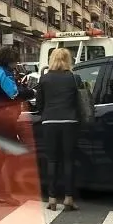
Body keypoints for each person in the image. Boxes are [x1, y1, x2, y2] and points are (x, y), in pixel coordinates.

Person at [0, 45, 33, 205]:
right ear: (9, 61)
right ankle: (3, 193)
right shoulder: (5, 74)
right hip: (3, 121)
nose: (16, 64)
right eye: (15, 62)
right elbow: (14, 94)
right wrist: (32, 92)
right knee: (11, 156)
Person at [34, 47, 81, 211]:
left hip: (49, 122)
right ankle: (68, 198)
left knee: (52, 160)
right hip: (70, 121)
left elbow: (39, 104)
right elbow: (79, 101)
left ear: (51, 60)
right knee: (68, 160)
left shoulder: (44, 79)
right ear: (68, 60)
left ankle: (52, 198)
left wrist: (46, 112)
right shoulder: (74, 78)